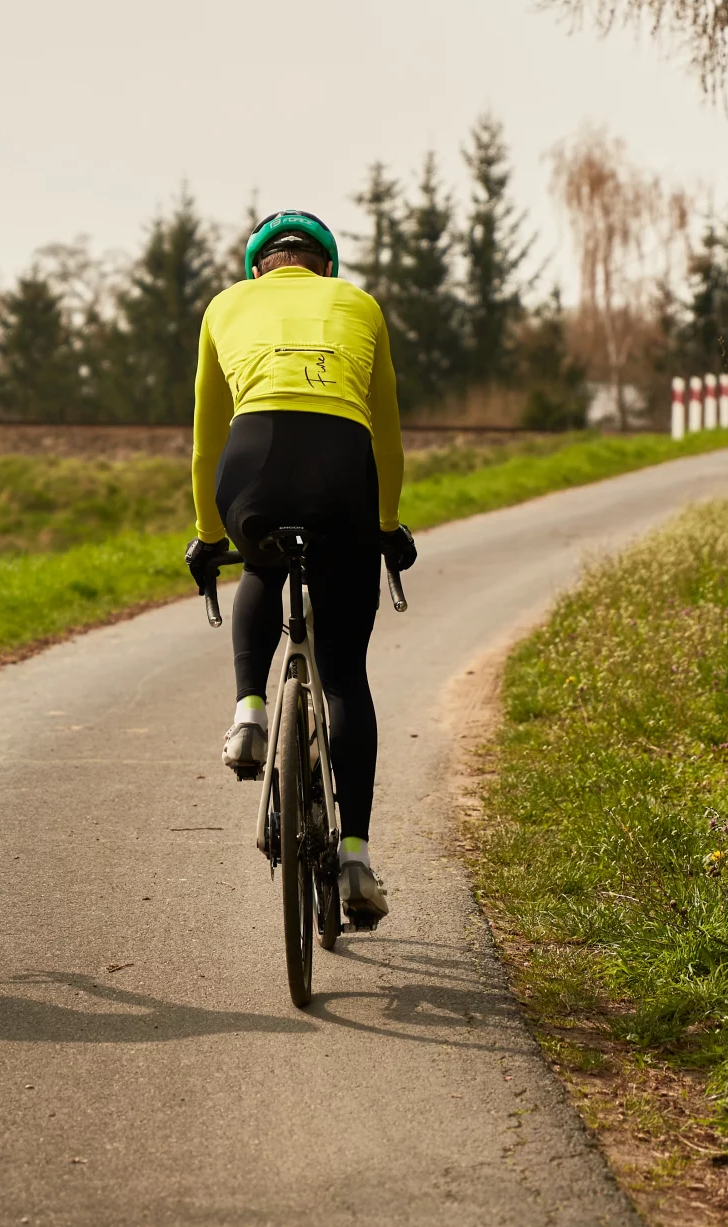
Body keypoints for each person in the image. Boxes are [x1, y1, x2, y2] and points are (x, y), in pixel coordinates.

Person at [185, 210, 418, 927]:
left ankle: (249, 711)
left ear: (258, 267)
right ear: (327, 269)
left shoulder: (225, 305)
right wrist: (385, 527)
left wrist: (208, 536)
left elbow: (205, 439)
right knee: (344, 674)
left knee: (260, 566)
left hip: (251, 461)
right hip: (342, 469)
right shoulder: (360, 305)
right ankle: (354, 857)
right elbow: (386, 435)